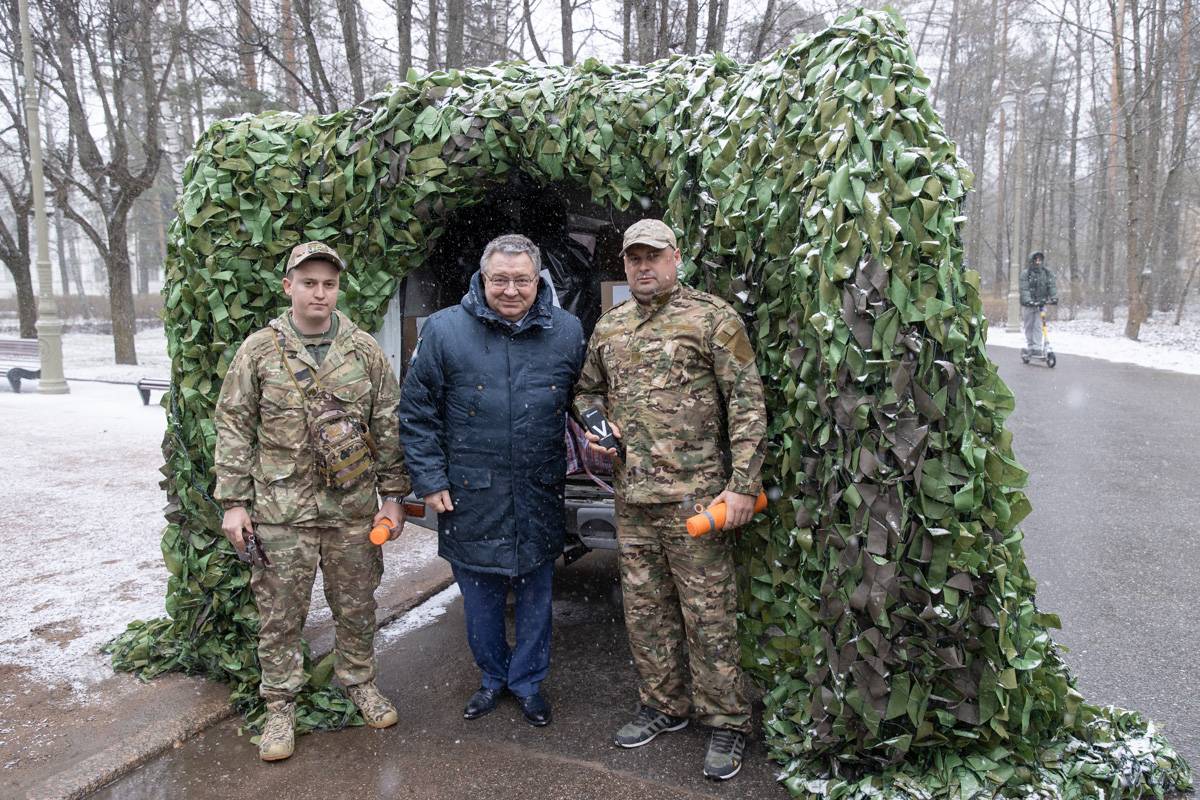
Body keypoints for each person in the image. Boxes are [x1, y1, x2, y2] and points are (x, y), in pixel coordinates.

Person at [574, 219, 767, 780]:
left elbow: (749, 404)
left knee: (709, 616)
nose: (643, 267)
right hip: (633, 500)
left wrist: (742, 486)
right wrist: (594, 422)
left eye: (653, 256)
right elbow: (587, 389)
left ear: (675, 258)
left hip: (698, 501)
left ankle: (728, 721)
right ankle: (664, 706)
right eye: (634, 258)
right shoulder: (610, 327)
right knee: (646, 613)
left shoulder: (712, 318)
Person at [214, 241, 410, 762]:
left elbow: (388, 423)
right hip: (281, 513)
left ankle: (359, 682)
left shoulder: (363, 349)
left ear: (337, 288)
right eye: (308, 283)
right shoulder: (259, 349)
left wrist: (393, 497)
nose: (319, 292)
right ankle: (280, 705)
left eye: (327, 283)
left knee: (356, 605)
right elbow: (234, 423)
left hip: (351, 510)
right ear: (288, 287)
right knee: (280, 613)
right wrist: (234, 501)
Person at [398, 233, 585, 728]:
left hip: (538, 490)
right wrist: (430, 478)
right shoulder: (443, 331)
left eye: (521, 279)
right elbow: (416, 413)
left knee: (535, 599)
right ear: (483, 278)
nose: (510, 289)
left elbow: (587, 400)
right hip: (468, 494)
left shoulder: (567, 332)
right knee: (479, 600)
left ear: (537, 279)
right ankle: (491, 680)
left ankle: (527, 683)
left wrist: (605, 436)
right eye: (499, 279)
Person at [1019, 251, 1058, 354]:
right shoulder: (1026, 274)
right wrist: (1028, 300)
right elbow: (1024, 289)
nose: (1038, 262)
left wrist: (1054, 297)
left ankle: (1037, 347)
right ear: (1032, 260)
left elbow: (1051, 286)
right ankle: (1030, 345)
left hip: (1041, 304)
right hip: (1029, 305)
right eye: (1036, 259)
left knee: (1038, 325)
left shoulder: (1046, 273)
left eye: (1040, 260)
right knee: (1029, 325)